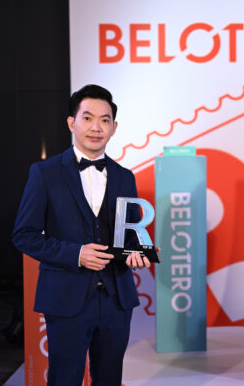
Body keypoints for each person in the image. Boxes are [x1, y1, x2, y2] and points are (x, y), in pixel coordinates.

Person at [13, 84, 152, 386]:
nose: (96, 127)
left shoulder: (125, 176)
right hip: (66, 298)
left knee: (110, 378)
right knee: (65, 379)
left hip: (116, 299)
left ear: (114, 128)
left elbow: (130, 234)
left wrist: (138, 252)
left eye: (104, 120)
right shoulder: (44, 173)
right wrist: (76, 254)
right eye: (87, 118)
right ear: (71, 123)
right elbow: (24, 235)